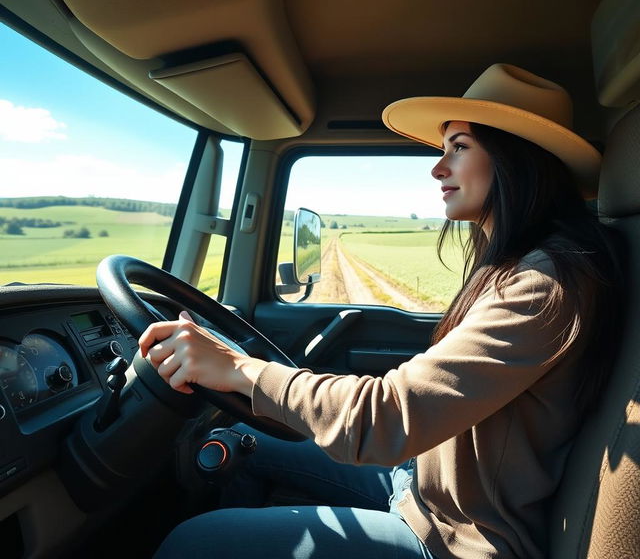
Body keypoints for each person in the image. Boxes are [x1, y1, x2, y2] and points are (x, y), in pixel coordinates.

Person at [140, 64, 621, 559]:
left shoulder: (547, 284)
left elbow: (387, 415)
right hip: (420, 486)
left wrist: (240, 368)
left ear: (518, 157)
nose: (438, 168)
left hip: (460, 538)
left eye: (459, 147)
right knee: (240, 443)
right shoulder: (522, 265)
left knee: (191, 543)